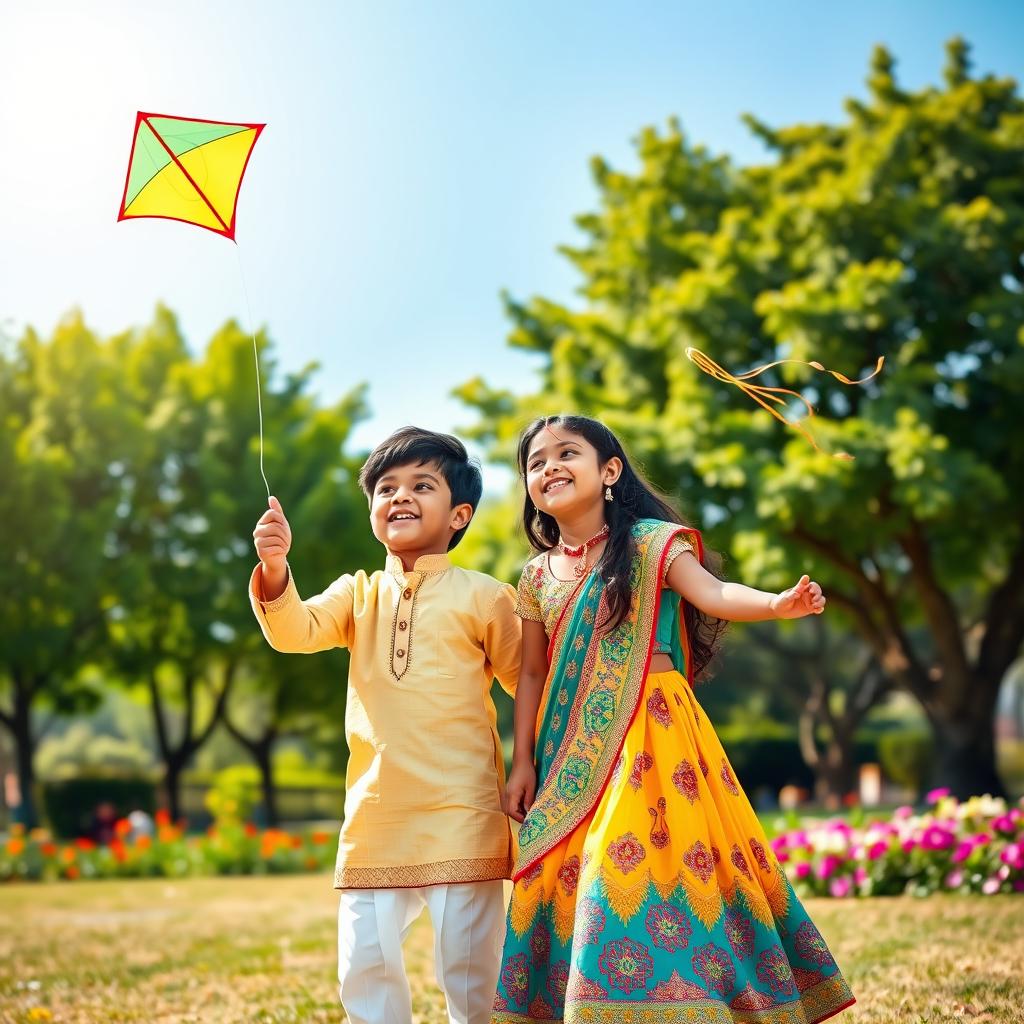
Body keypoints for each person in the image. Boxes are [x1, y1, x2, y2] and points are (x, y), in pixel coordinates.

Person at [491, 415, 854, 1024]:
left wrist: (776, 604)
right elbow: (531, 675)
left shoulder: (654, 542)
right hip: (568, 750)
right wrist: (522, 760)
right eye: (535, 462)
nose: (548, 467)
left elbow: (714, 595)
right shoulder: (534, 578)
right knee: (575, 874)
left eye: (566, 453)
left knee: (627, 865)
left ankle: (678, 1001)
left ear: (609, 471)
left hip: (651, 736)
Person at [250, 427, 522, 1024]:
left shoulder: (486, 597)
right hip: (377, 811)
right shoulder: (358, 594)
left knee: (472, 971)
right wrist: (275, 567)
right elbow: (293, 630)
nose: (399, 497)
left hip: (463, 809)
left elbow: (529, 683)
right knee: (364, 968)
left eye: (422, 485)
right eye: (386, 487)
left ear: (459, 514)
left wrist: (530, 764)